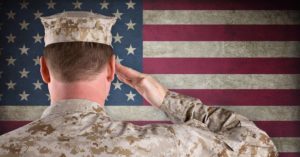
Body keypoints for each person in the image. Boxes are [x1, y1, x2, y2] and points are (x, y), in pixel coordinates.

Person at [0, 11, 278, 157]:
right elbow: (261, 148)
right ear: (111, 69)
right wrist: (165, 99)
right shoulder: (168, 145)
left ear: (44, 70)